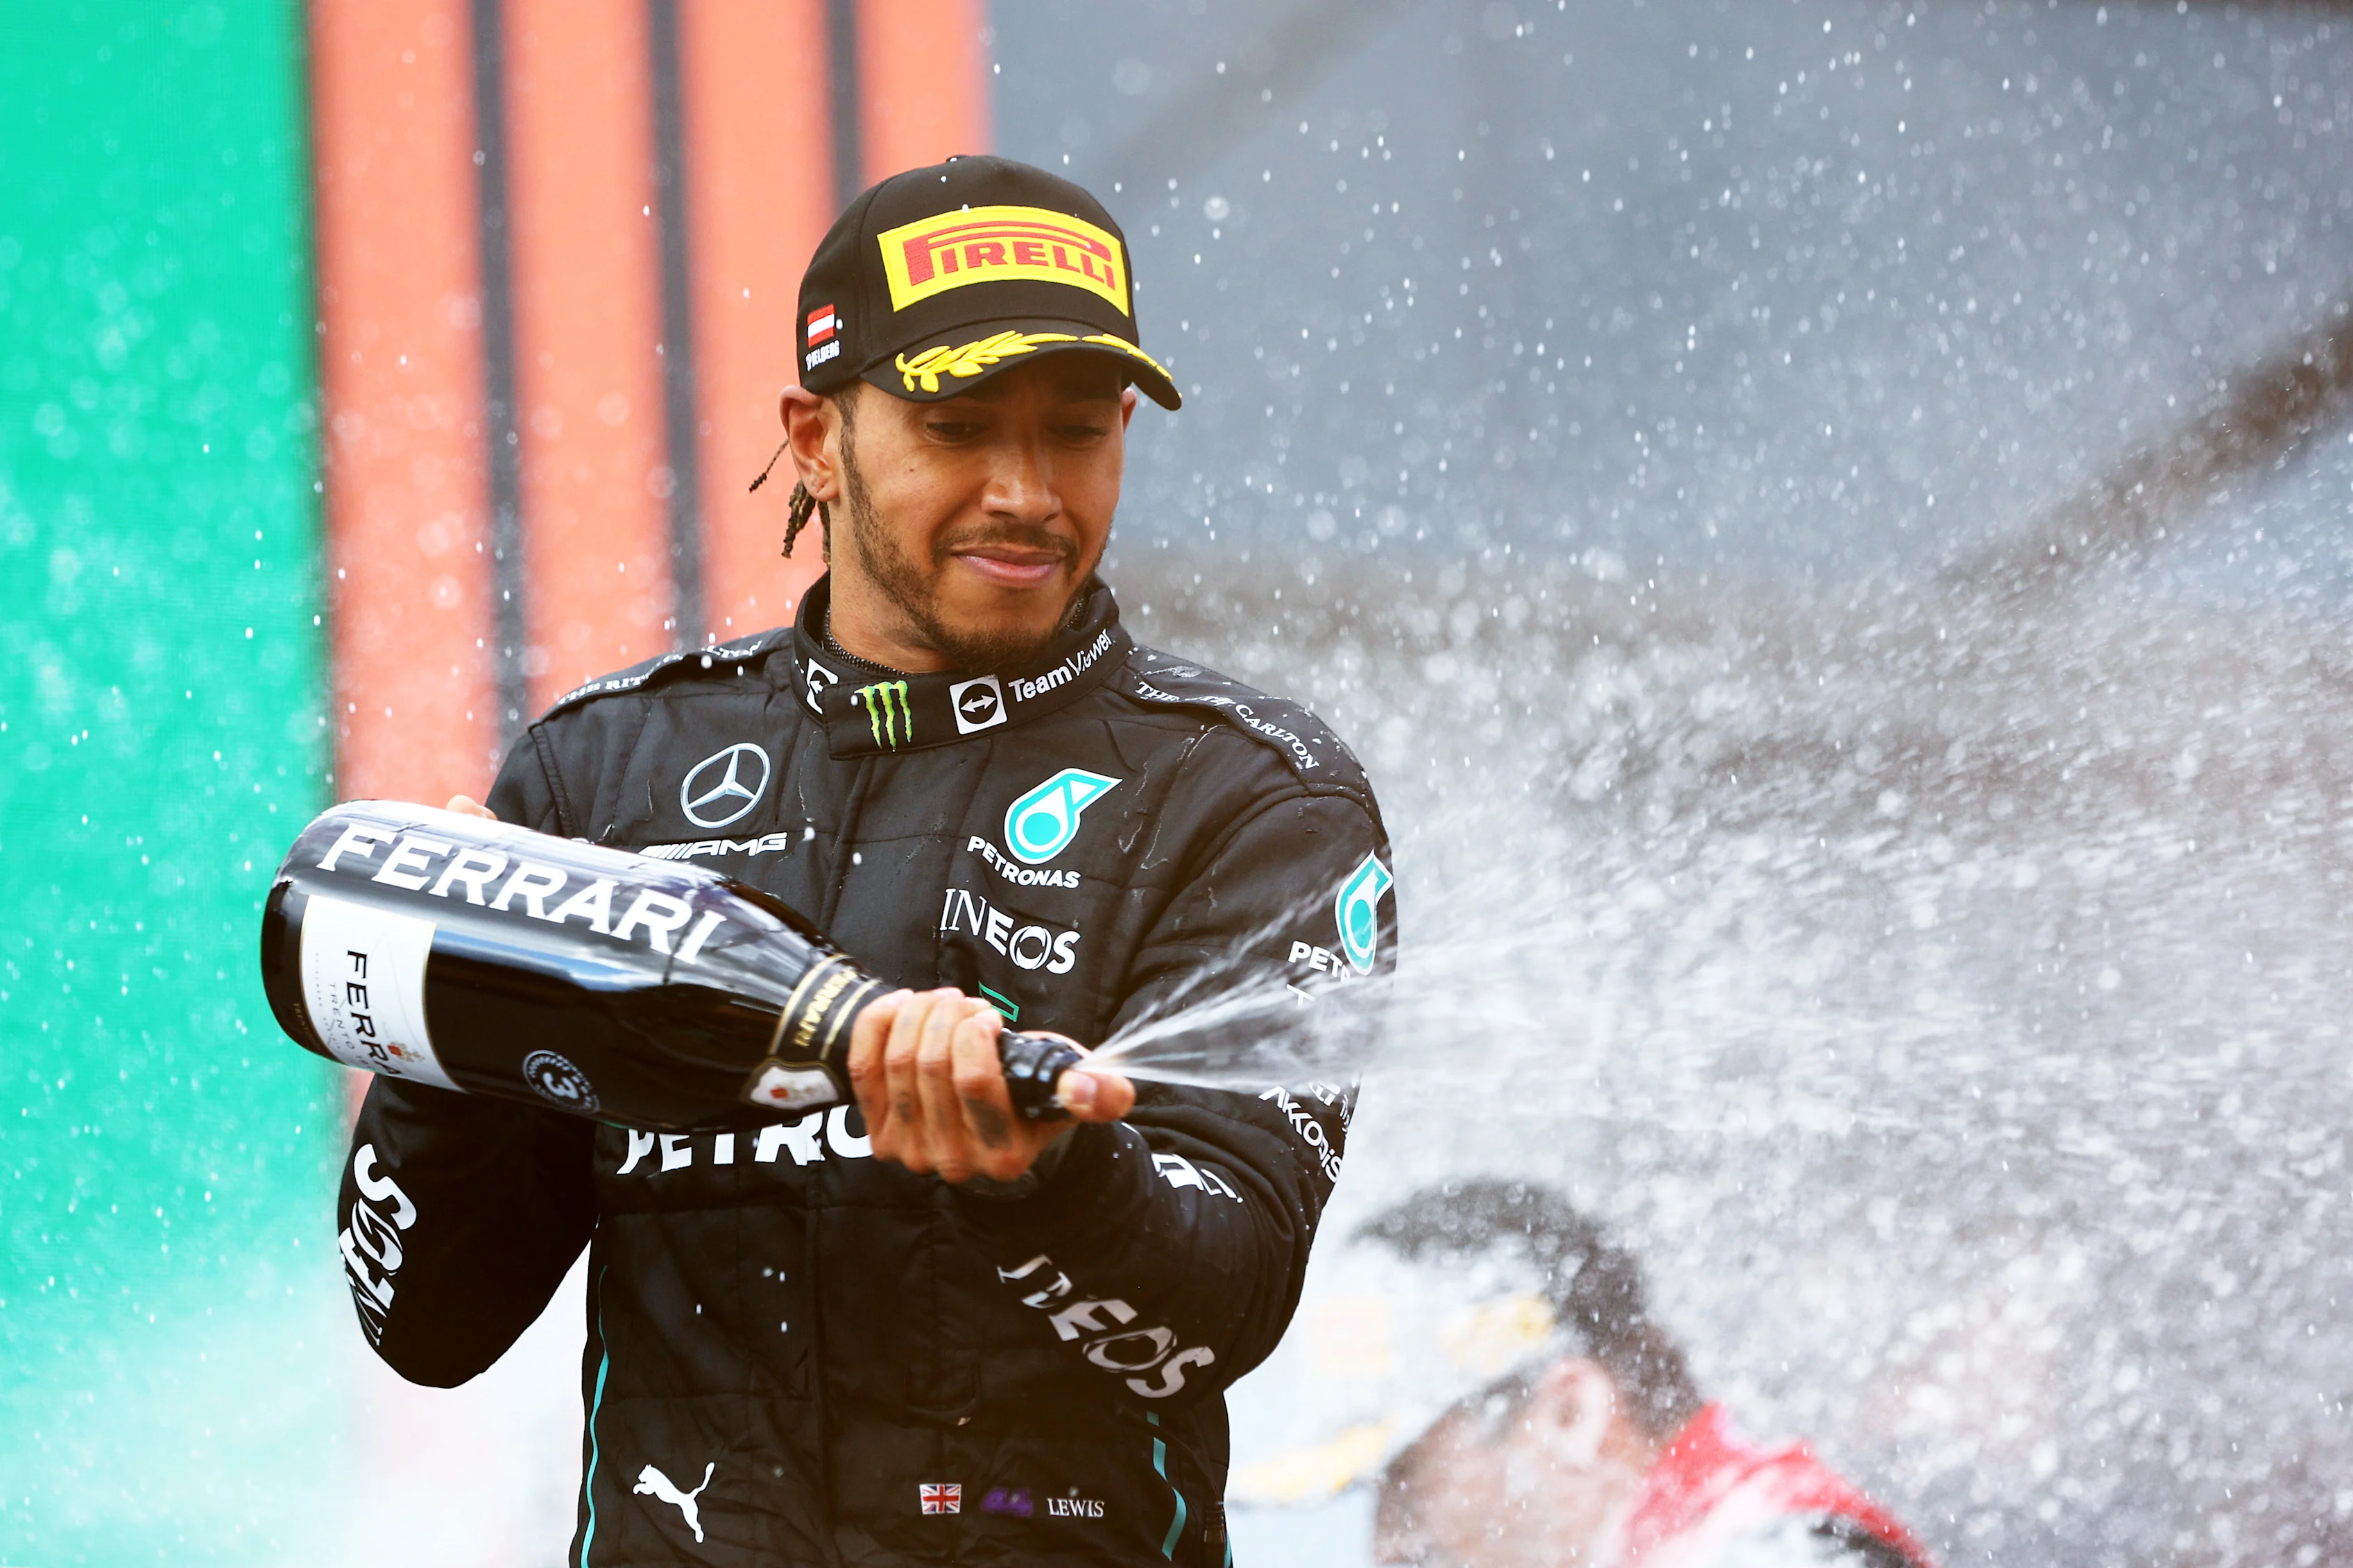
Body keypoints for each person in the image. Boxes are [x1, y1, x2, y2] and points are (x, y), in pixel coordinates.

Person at [334, 155, 1396, 1566]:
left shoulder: (1249, 797)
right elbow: (427, 1324)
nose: (1027, 490)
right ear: (817, 439)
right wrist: (452, 1014)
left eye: (1076, 431)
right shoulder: (602, 776)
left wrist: (1048, 1173)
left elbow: (1228, 1299)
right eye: (958, 427)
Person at [1364, 1182, 1933, 1568]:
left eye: (1405, 1480)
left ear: (1571, 1413)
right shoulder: (1731, 1533)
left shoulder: (1776, 1551)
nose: (1384, 1544)